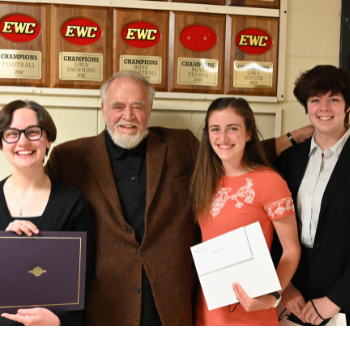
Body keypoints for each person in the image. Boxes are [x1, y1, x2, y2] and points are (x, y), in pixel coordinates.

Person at [44, 70, 311, 326]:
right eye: (118, 106)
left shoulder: (180, 144)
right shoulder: (69, 158)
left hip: (174, 308)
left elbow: (229, 156)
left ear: (149, 109)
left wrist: (289, 138)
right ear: (102, 108)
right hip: (106, 308)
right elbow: (41, 205)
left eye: (138, 106)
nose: (128, 115)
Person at [189, 97, 301, 326]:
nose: (223, 138)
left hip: (252, 310)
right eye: (215, 129)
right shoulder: (202, 181)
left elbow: (291, 249)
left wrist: (273, 296)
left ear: (249, 133)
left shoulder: (269, 182)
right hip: (207, 310)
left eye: (233, 129)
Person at [0, 100, 93, 326]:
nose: (23, 141)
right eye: (12, 134)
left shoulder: (74, 202)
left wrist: (57, 322)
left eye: (33, 132)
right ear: (2, 144)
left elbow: (84, 279)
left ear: (48, 140)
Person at [275, 65, 350, 326]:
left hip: (341, 300)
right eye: (315, 99)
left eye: (334, 99)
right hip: (293, 294)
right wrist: (284, 285)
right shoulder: (288, 159)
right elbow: (275, 227)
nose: (324, 108)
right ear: (306, 106)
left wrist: (337, 298)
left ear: (347, 106)